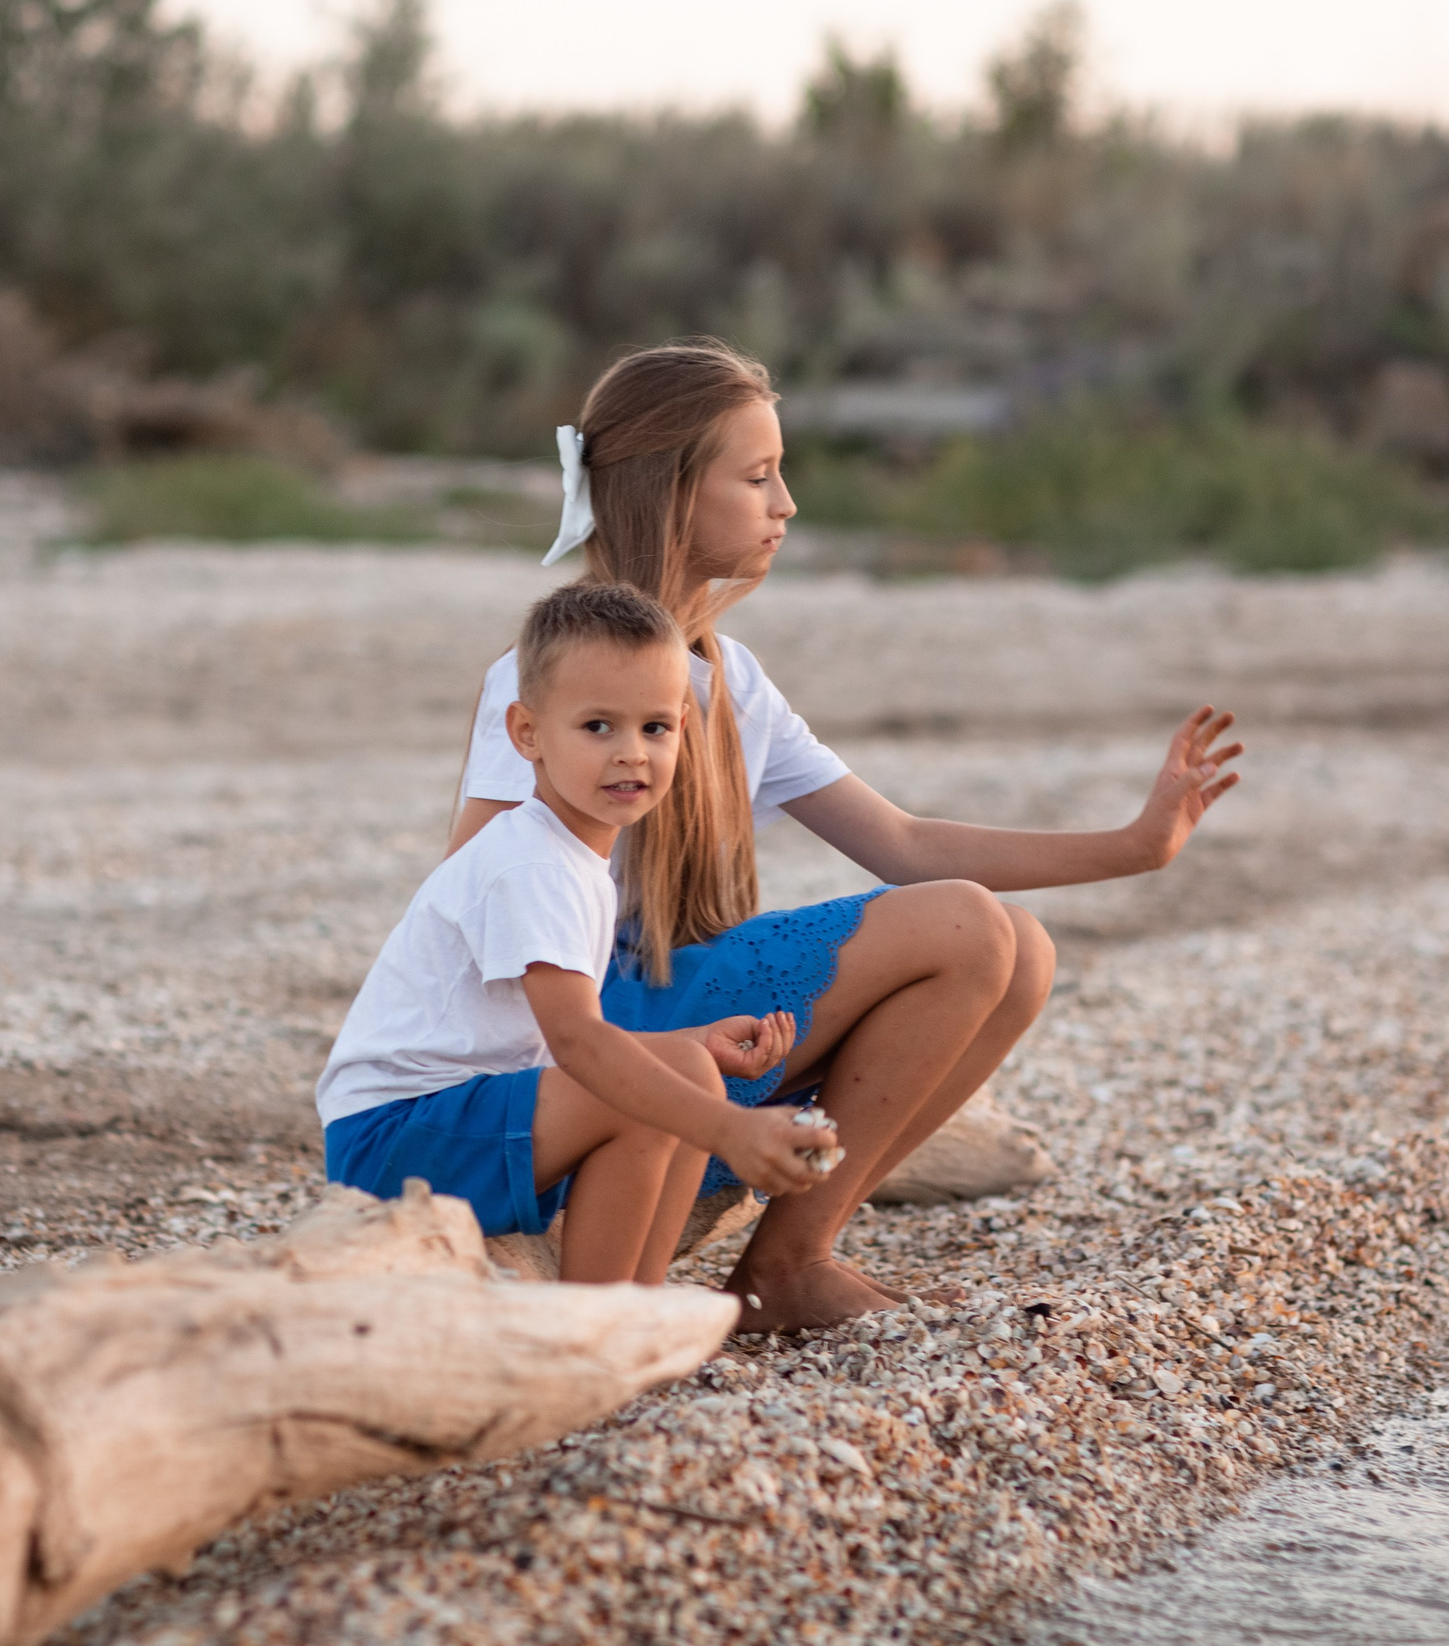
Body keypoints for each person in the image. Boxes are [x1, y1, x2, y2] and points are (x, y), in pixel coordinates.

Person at [451, 340, 1242, 1331]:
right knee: (964, 926)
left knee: (1020, 951)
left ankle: (788, 1259)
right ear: (670, 492)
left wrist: (1134, 845)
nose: (785, 503)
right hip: (579, 1040)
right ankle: (721, 1242)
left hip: (668, 1007)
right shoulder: (550, 681)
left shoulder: (728, 675)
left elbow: (903, 841)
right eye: (757, 476)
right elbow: (469, 894)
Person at [317, 581, 840, 1284]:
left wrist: (694, 1044)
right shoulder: (534, 862)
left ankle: (634, 1302)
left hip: (451, 1120)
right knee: (673, 1083)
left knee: (689, 1068)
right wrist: (734, 1132)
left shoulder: (573, 856)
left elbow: (567, 1043)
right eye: (598, 726)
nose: (632, 753)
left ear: (684, 728)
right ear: (527, 733)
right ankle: (593, 1313)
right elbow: (577, 1043)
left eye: (654, 727)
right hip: (392, 1141)